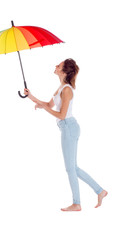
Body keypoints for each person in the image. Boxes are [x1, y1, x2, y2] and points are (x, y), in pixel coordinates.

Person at [24, 58, 108, 211]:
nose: (55, 66)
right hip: (66, 127)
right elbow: (49, 105)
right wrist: (32, 97)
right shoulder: (61, 87)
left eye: (59, 65)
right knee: (73, 168)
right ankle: (100, 191)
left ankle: (77, 203)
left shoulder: (67, 90)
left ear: (63, 71)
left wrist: (44, 108)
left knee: (70, 169)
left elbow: (61, 115)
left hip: (68, 127)